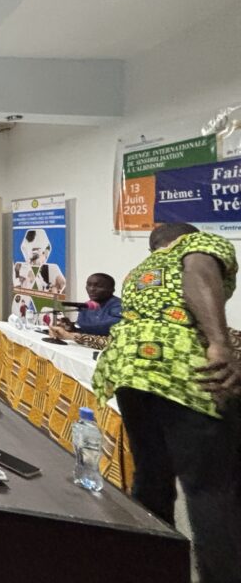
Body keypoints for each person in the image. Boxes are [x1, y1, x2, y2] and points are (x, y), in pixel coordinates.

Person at [93, 223, 241, 583]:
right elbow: (199, 273)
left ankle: (150, 568)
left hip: (131, 373)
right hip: (182, 371)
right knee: (211, 489)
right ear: (187, 235)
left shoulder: (139, 271)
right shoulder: (197, 245)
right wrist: (219, 342)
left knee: (152, 477)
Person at [50, 273, 122, 339]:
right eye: (89, 285)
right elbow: (83, 330)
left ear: (112, 289)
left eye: (98, 286)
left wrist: (80, 327)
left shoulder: (119, 305)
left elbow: (111, 327)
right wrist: (72, 327)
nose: (91, 289)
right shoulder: (87, 305)